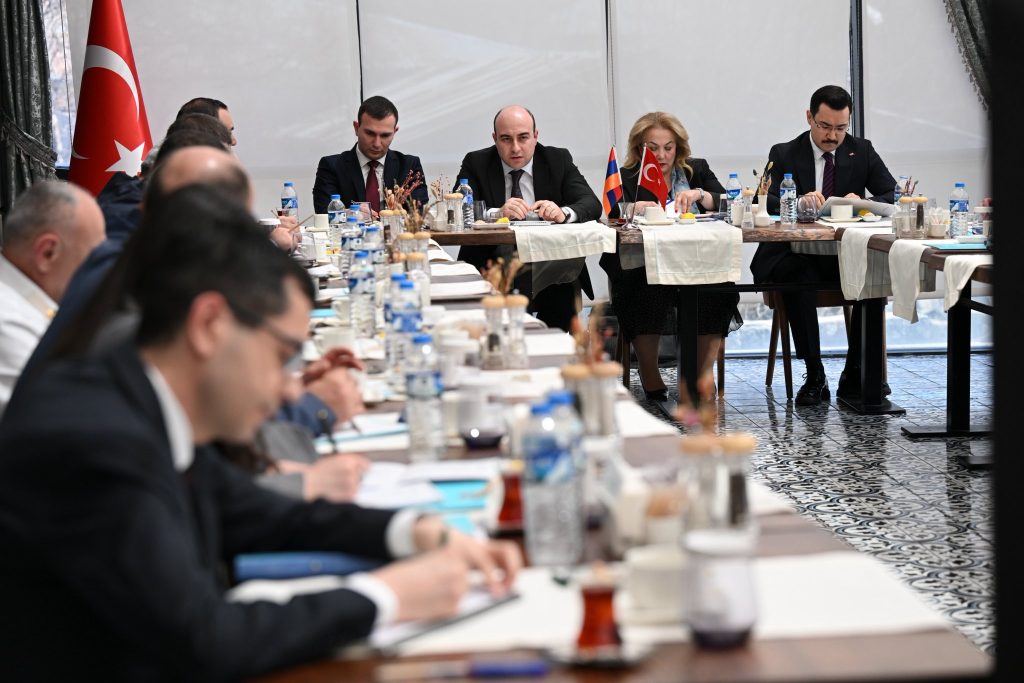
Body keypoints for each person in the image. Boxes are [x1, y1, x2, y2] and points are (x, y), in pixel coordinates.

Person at [0, 186, 521, 679]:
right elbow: (205, 639)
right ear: (209, 325)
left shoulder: (140, 397)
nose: (290, 390)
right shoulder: (94, 440)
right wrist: (387, 596)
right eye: (280, 356)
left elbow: (263, 514)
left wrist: (412, 530)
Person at [751, 85, 896, 405]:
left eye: (841, 128)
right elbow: (762, 199)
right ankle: (814, 373)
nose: (833, 136)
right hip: (793, 253)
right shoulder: (784, 152)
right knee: (797, 274)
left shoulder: (862, 150)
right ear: (809, 118)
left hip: (840, 253)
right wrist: (796, 200)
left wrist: (863, 202)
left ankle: (857, 372)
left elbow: (892, 195)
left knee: (872, 270)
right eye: (825, 126)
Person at [600, 112, 740, 416]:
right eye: (653, 148)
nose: (662, 155)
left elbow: (729, 201)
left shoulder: (696, 169)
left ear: (679, 148)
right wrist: (632, 207)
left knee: (720, 289)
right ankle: (649, 372)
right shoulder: (627, 176)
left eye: (668, 147)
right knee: (646, 289)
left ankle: (701, 374)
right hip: (643, 264)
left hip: (698, 262)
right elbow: (609, 214)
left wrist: (699, 194)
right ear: (639, 149)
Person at [456, 105, 602, 332]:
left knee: (562, 300)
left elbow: (591, 203)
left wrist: (563, 213)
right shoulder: (476, 162)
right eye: (506, 139)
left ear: (536, 136)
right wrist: (496, 213)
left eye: (523, 137)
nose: (515, 148)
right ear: (495, 139)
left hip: (552, 265)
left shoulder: (557, 159)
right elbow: (457, 210)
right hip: (493, 264)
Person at [0, 181, 105, 416]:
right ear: (48, 253)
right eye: (92, 258)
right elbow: (72, 415)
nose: (98, 273)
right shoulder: (10, 326)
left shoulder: (21, 307)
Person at [313, 96, 429, 214]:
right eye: (370, 133)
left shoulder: (409, 165)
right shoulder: (332, 166)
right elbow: (324, 212)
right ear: (356, 128)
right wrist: (350, 213)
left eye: (385, 135)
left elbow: (418, 213)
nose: (377, 144)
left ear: (395, 132)